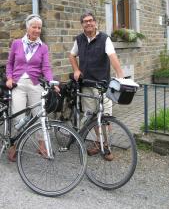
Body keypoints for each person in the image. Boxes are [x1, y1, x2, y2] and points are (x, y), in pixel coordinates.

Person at [69, 12, 124, 161]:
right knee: (92, 117)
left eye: (91, 21)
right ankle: (98, 143)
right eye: (85, 21)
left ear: (95, 23)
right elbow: (72, 55)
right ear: (82, 24)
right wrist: (76, 69)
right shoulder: (79, 39)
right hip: (86, 84)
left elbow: (113, 57)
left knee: (105, 117)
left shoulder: (105, 39)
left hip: (102, 85)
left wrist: (121, 76)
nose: (88, 23)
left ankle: (107, 146)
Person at [6, 13, 59, 161]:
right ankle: (14, 145)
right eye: (34, 27)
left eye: (39, 28)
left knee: (40, 115)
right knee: (19, 116)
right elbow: (9, 64)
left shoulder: (43, 47)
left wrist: (51, 82)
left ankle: (42, 145)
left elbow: (46, 68)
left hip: (36, 84)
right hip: (18, 84)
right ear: (27, 28)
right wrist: (9, 78)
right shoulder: (17, 43)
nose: (37, 30)